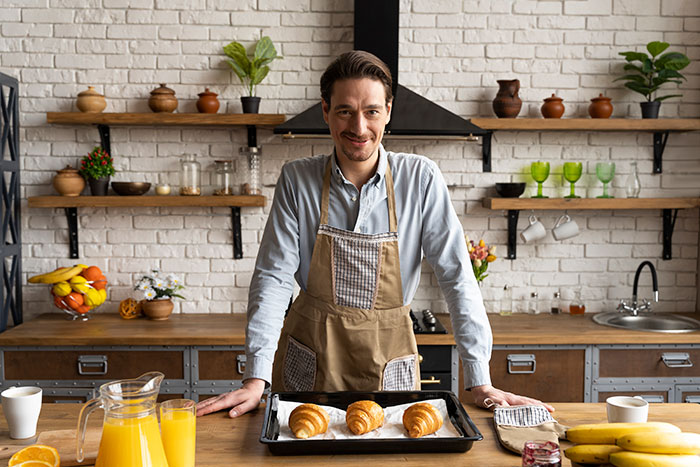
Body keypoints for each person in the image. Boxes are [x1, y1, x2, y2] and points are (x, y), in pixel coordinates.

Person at [196, 50, 553, 418]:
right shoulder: (297, 179)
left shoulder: (420, 179)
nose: (359, 127)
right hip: (309, 364)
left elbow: (457, 277)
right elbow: (272, 279)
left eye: (371, 111)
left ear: (388, 111)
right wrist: (257, 378)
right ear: (325, 111)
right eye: (345, 111)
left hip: (390, 367)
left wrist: (479, 379)